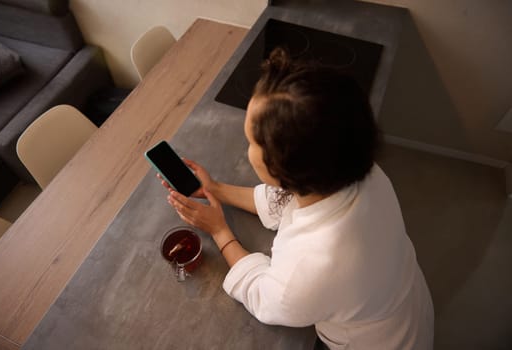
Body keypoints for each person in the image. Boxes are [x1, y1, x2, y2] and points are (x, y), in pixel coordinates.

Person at [161, 48, 434, 349]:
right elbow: (287, 200)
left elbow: (264, 295)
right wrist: (216, 189)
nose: (246, 148)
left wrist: (219, 231)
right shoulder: (357, 166)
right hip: (402, 303)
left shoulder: (315, 267)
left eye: (251, 141)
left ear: (283, 170)